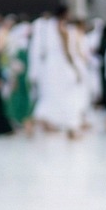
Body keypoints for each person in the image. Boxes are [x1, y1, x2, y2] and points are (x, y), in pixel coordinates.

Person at [32, 7, 88, 138]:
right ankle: (71, 128)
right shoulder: (63, 30)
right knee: (69, 96)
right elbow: (67, 51)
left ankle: (44, 121)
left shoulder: (46, 29)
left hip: (50, 67)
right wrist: (75, 68)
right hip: (62, 67)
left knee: (51, 95)